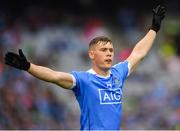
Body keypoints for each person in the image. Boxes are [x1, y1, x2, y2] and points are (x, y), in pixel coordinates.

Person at [4, 5, 165, 130]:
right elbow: (54, 76)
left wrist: (154, 28)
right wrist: (28, 66)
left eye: (111, 50)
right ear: (92, 54)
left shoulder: (118, 73)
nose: (109, 53)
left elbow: (138, 53)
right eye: (103, 50)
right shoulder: (84, 80)